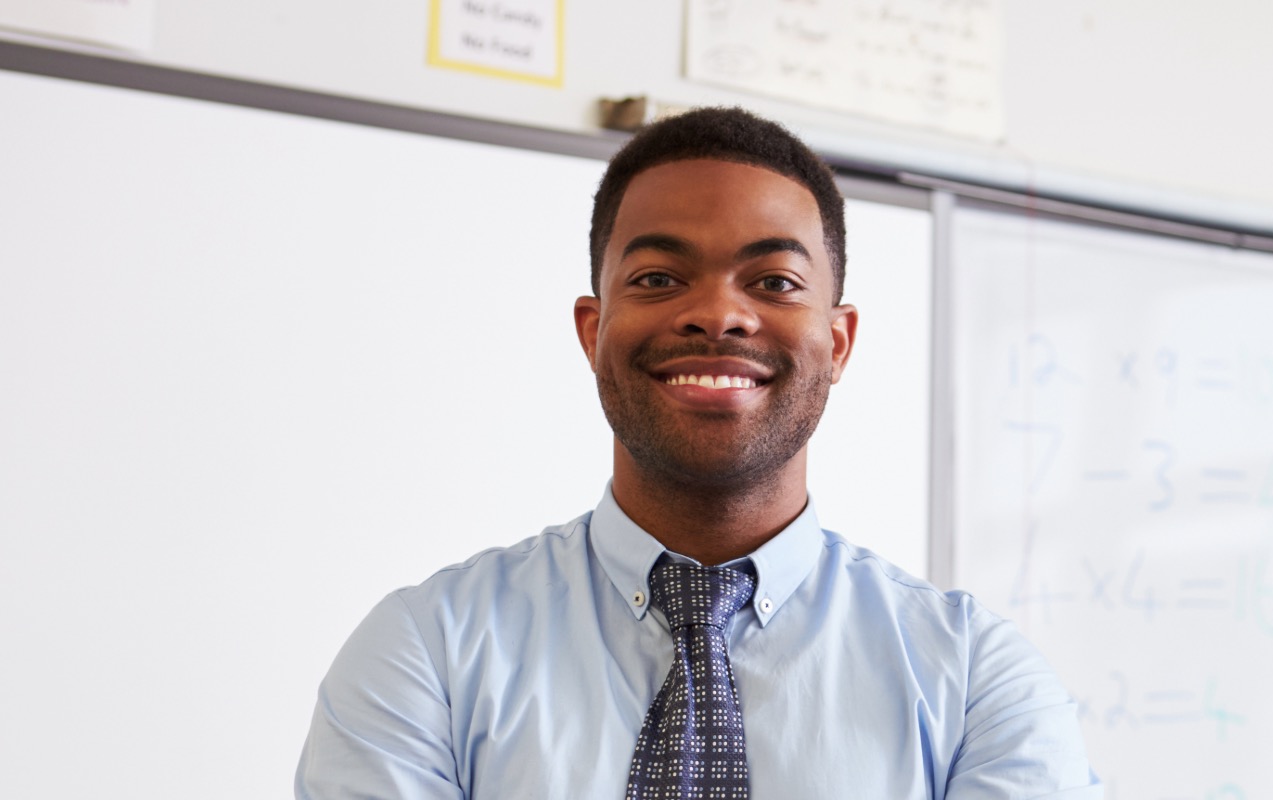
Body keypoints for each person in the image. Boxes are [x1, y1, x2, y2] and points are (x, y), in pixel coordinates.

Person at [295, 107, 1100, 799]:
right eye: (656, 278)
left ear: (839, 341)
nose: (717, 313)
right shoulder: (426, 654)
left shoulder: (976, 685)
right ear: (592, 330)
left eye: (776, 282)